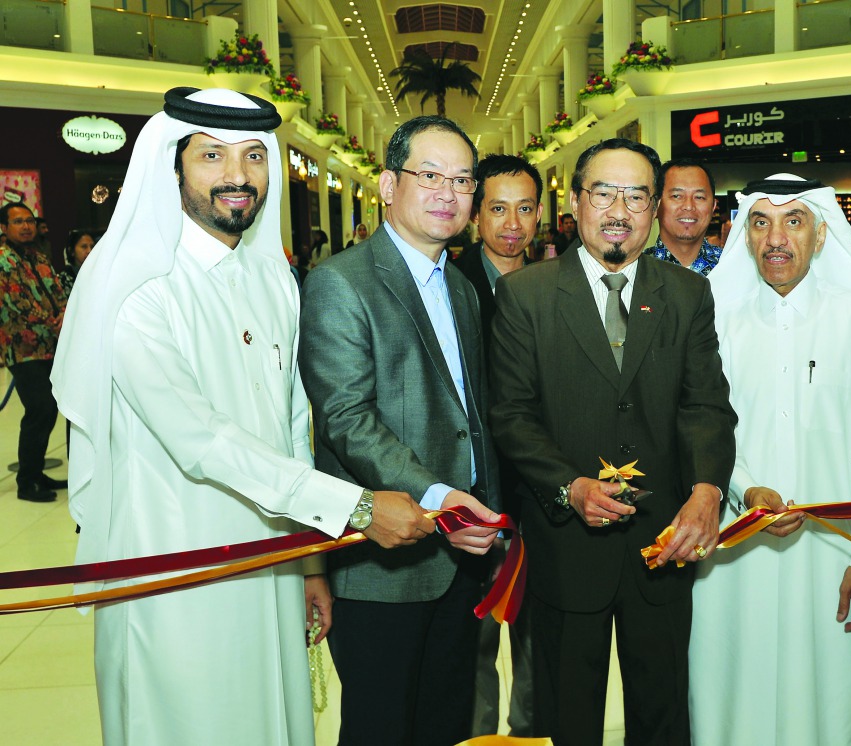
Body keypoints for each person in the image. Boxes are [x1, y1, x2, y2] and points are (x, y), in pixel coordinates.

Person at [49, 87, 436, 746]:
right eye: (212, 156)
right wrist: (360, 507)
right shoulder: (137, 290)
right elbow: (203, 443)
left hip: (270, 564)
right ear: (174, 167)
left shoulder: (271, 278)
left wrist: (309, 563)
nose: (237, 175)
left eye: (254, 155)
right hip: (176, 575)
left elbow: (290, 426)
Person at [489, 138, 737, 746]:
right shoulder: (526, 296)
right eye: (604, 192)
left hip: (664, 540)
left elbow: (706, 405)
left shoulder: (686, 294)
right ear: (575, 202)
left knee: (662, 713)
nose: (619, 210)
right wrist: (566, 485)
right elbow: (512, 415)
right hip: (567, 545)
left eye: (636, 195)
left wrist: (707, 490)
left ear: (653, 209)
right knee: (567, 716)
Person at [299, 114, 502, 746]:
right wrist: (444, 499)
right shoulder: (341, 282)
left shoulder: (461, 288)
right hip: (383, 564)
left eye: (463, 180)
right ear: (388, 185)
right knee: (382, 728)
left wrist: (489, 520)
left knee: (446, 722)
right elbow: (347, 421)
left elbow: (472, 417)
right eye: (430, 175)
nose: (449, 192)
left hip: (460, 558)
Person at [690, 174, 851, 745]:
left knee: (830, 691)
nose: (775, 238)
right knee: (733, 685)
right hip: (733, 543)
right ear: (744, 235)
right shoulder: (715, 318)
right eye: (761, 222)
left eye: (793, 221)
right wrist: (748, 490)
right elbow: (706, 426)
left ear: (822, 234)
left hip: (834, 549)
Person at [453, 153, 539, 738]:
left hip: (544, 493)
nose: (513, 223)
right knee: (472, 639)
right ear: (476, 215)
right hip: (474, 495)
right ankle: (479, 736)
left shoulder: (561, 284)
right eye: (498, 208)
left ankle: (532, 733)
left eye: (525, 208)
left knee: (539, 639)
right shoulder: (450, 283)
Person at [1, 201, 69, 502]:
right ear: (4, 228)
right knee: (39, 409)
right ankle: (26, 484)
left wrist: (65, 313)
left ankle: (36, 471)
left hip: (50, 346)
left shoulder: (39, 256)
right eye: (18, 222)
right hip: (24, 349)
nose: (26, 226)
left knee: (48, 409)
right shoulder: (3, 260)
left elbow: (58, 291)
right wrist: (52, 322)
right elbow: (18, 301)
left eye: (29, 220)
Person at [642, 158, 722, 275]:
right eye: (676, 196)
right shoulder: (637, 270)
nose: (689, 206)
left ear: (713, 206)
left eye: (699, 197)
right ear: (655, 205)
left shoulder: (732, 266)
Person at [58, 229, 98, 296]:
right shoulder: (64, 278)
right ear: (72, 251)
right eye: (84, 247)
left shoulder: (99, 273)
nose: (89, 251)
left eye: (92, 247)